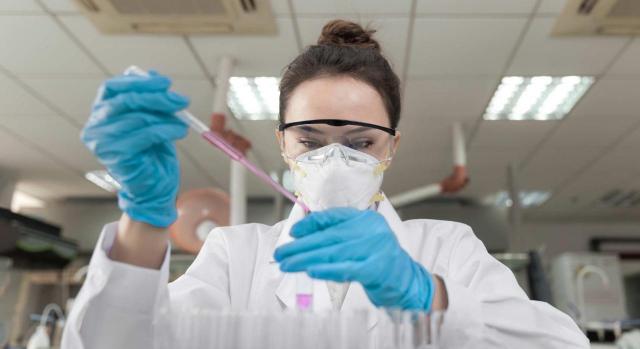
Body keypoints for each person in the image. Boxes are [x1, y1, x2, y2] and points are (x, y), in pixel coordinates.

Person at [61, 20, 588, 348]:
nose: (334, 159)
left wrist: (427, 295)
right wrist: (144, 222)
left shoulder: (444, 248)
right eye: (310, 141)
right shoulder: (235, 255)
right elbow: (122, 342)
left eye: (360, 143)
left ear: (392, 147)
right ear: (284, 145)